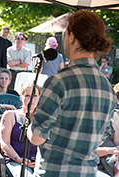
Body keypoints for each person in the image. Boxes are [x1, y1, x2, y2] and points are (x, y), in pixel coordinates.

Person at [27, 10, 117, 176]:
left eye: (65, 33)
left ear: (72, 36)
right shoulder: (108, 89)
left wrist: (29, 126)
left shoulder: (59, 82)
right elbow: (102, 136)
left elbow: (36, 138)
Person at [0, 83, 41, 176]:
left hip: (38, 163)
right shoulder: (10, 115)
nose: (31, 99)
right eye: (27, 95)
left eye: (34, 96)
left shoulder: (43, 119)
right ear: (21, 97)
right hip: (16, 161)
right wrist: (19, 159)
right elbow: (4, 143)